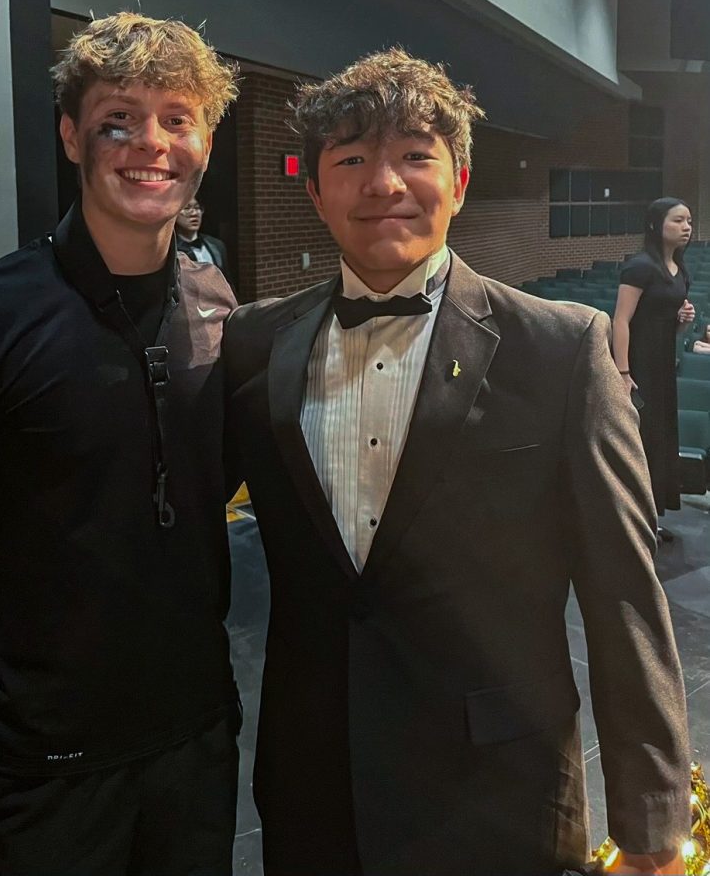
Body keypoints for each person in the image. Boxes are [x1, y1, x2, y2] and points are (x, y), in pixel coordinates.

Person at [222, 51, 691, 876]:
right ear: (315, 190)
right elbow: (180, 508)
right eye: (353, 159)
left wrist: (652, 825)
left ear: (461, 181)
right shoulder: (256, 341)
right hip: (313, 779)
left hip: (497, 792)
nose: (383, 183)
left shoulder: (560, 348)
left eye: (414, 155)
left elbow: (624, 589)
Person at [0, 13, 241, 876]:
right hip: (32, 772)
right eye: (118, 118)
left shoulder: (222, 304)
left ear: (205, 142)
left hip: (194, 748)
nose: (149, 143)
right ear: (72, 135)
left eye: (175, 118)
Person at [612, 198, 695, 537]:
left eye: (689, 220)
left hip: (663, 368)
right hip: (639, 368)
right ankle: (627, 522)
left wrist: (682, 322)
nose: (686, 227)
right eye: (678, 220)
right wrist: (623, 373)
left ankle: (649, 520)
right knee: (638, 443)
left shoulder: (678, 269)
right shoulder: (640, 266)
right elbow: (621, 320)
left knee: (659, 443)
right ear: (656, 225)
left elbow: (668, 324)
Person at [175, 197, 231, 281]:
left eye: (197, 208)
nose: (194, 213)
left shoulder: (217, 245)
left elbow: (227, 281)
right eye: (187, 208)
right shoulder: (170, 250)